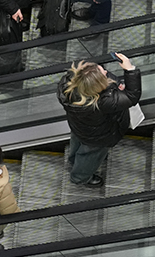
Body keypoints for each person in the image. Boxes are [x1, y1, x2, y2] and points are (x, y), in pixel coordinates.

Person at [56, 52, 141, 187]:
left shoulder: (68, 85)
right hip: (99, 135)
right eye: (104, 74)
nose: (106, 71)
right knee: (91, 156)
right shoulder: (102, 102)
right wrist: (129, 70)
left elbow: (95, 83)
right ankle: (80, 178)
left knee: (77, 142)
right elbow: (132, 96)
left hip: (79, 126)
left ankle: (73, 160)